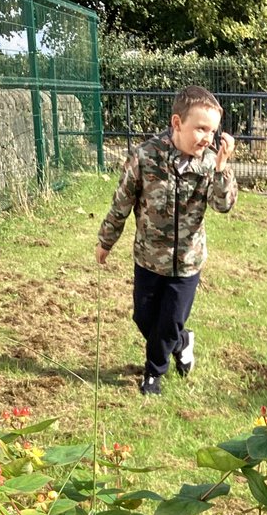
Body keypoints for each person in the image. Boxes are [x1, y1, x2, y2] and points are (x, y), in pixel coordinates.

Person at [95, 85, 237, 396]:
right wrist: (106, 240)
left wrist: (222, 168)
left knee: (169, 321)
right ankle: (182, 342)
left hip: (187, 262)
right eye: (200, 128)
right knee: (144, 317)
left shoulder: (210, 162)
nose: (207, 138)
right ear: (177, 123)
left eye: (212, 131)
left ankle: (153, 373)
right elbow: (121, 202)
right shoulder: (145, 157)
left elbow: (224, 205)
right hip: (148, 258)